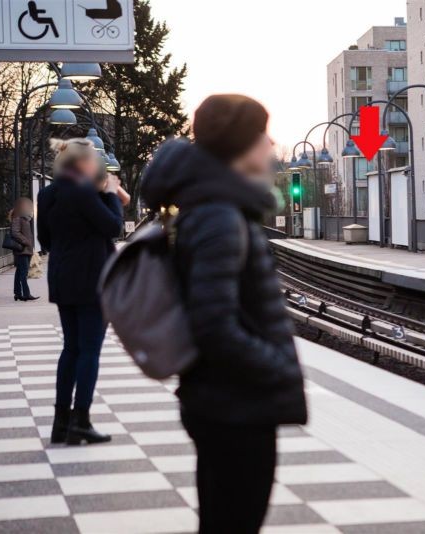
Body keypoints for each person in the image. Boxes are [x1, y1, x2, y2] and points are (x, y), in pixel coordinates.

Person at [141, 95, 307, 534]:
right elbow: (213, 323)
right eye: (263, 135)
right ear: (241, 145)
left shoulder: (209, 207)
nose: (271, 145)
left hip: (219, 398)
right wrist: (277, 366)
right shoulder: (219, 216)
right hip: (236, 404)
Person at [37, 138, 124, 446]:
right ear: (82, 163)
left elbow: (44, 237)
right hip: (91, 279)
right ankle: (81, 421)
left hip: (62, 277)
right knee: (89, 350)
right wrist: (111, 194)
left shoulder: (48, 194)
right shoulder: (85, 192)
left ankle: (60, 423)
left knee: (70, 349)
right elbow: (114, 226)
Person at [10, 197, 38, 301]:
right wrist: (26, 241)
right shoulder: (17, 217)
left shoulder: (25, 218)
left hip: (26, 249)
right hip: (22, 250)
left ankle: (17, 293)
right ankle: (26, 294)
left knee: (19, 272)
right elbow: (15, 232)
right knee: (24, 273)